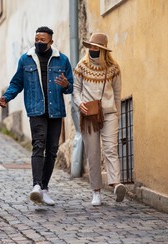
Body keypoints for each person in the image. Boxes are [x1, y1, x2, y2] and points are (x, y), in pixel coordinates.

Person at [0, 26, 73, 206]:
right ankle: (36, 186)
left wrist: (65, 84)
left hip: (55, 111)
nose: (39, 43)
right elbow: (17, 82)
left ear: (51, 42)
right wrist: (6, 97)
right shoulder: (26, 59)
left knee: (52, 149)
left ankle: (45, 188)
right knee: (38, 145)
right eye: (37, 39)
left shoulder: (62, 60)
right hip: (36, 110)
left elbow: (71, 87)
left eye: (43, 40)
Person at [73, 32, 126, 206]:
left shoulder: (113, 68)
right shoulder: (82, 66)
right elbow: (76, 89)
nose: (91, 49)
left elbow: (117, 94)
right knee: (93, 153)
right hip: (89, 115)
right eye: (90, 46)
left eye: (95, 47)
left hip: (109, 114)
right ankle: (96, 191)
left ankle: (116, 184)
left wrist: (116, 113)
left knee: (111, 149)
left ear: (103, 50)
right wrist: (80, 103)